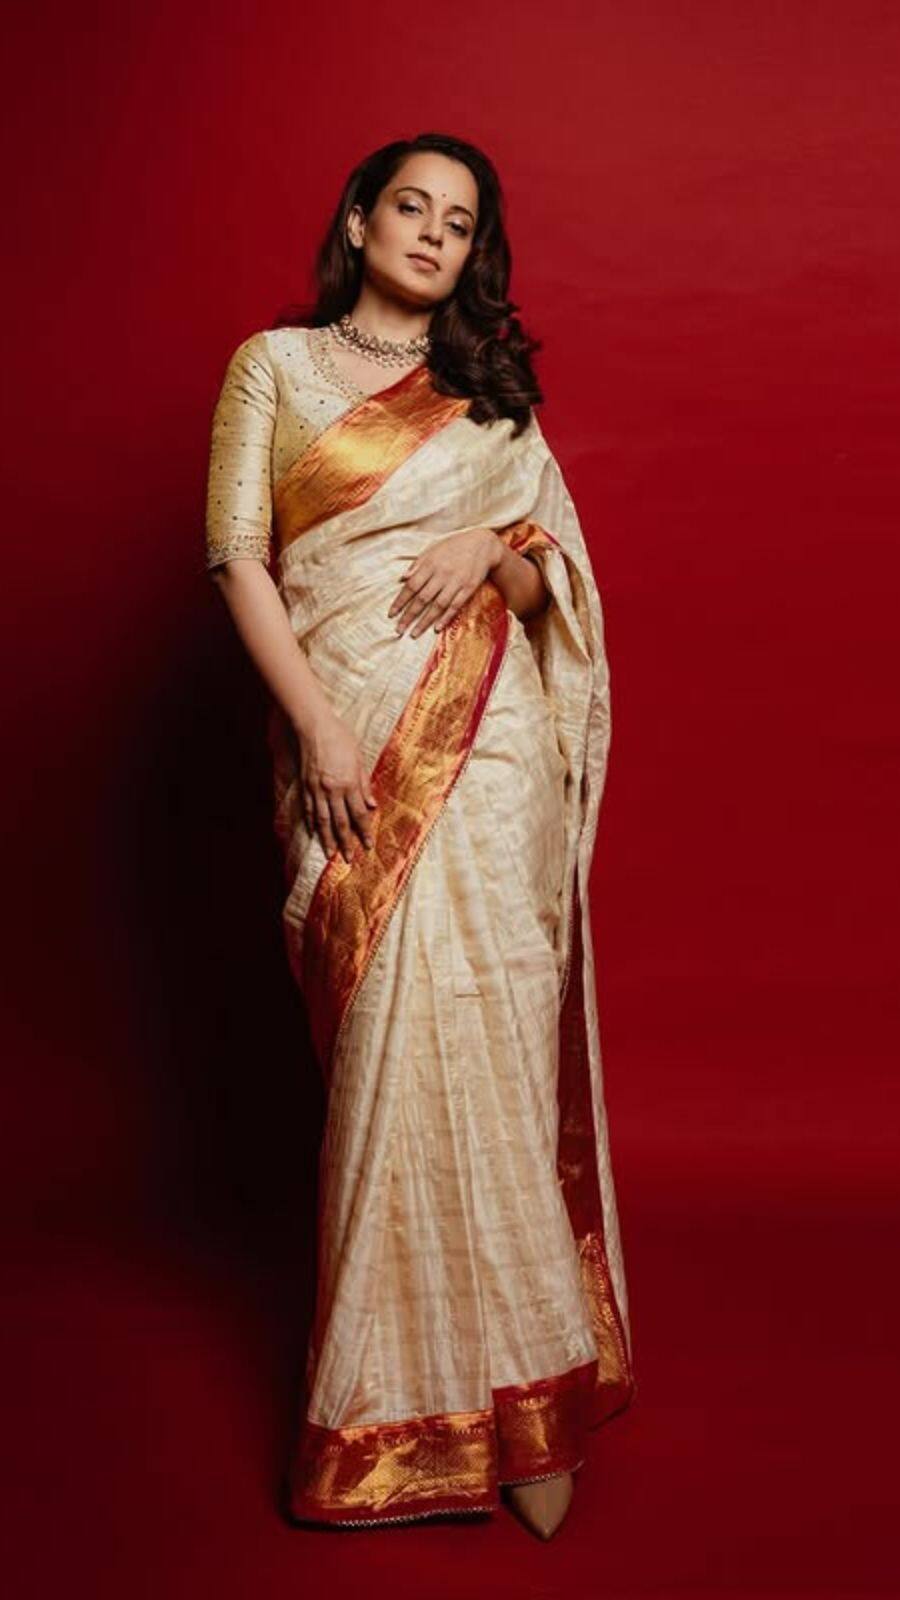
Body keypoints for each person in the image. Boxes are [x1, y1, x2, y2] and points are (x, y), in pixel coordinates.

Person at [203, 131, 636, 1540]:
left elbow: (551, 584)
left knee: (490, 1040)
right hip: (347, 745)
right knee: (391, 1050)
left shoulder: (490, 400)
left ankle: (530, 1399)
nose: (435, 233)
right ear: (358, 219)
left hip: (489, 755)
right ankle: (390, 1408)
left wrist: (494, 555)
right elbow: (239, 558)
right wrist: (320, 730)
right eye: (412, 206)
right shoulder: (273, 370)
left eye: (461, 220)